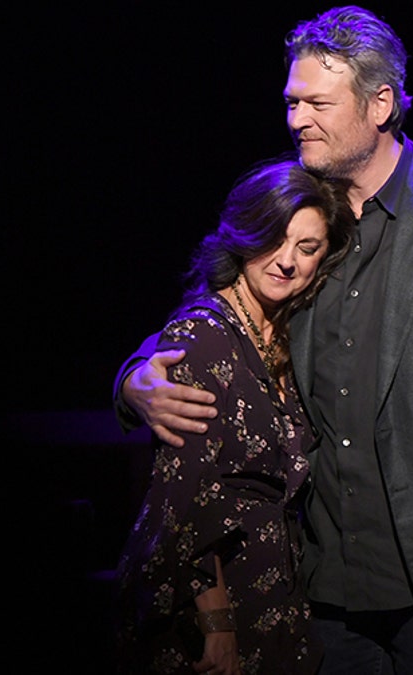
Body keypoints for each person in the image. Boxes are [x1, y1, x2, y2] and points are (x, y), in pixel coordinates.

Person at [114, 6, 413, 673]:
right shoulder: (299, 219)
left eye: (317, 102)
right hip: (320, 591)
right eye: (292, 101)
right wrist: (132, 378)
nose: (297, 118)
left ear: (381, 103)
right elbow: (214, 321)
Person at [113, 158, 356, 674]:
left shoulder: (288, 338)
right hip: (215, 610)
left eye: (307, 248)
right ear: (245, 234)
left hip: (278, 600)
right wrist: (216, 624)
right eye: (275, 238)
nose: (287, 260)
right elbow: (188, 500)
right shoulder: (203, 336)